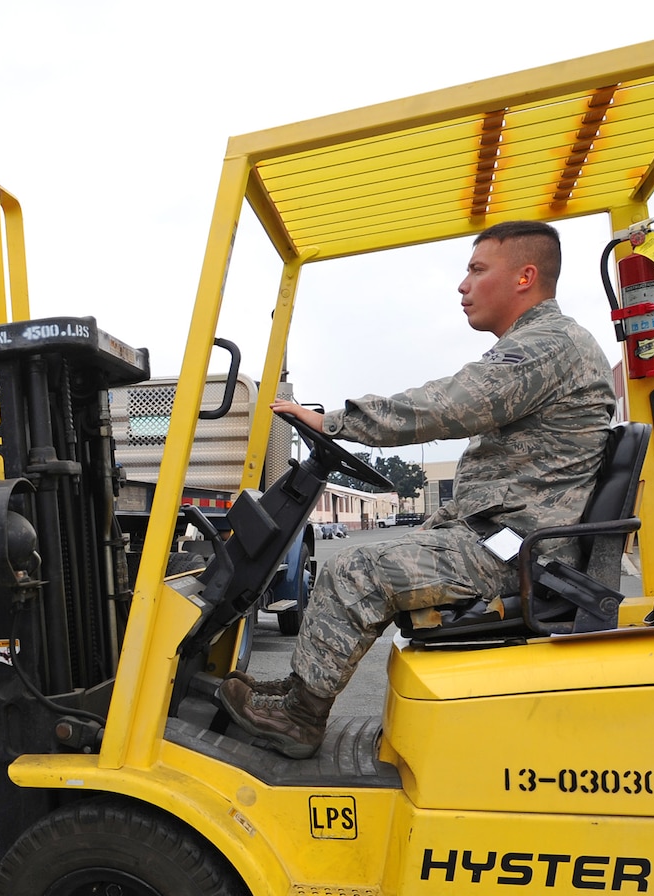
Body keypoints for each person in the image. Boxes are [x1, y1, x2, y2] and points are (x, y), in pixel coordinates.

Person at [218, 220, 617, 758]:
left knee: (351, 570)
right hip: (508, 538)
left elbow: (448, 405)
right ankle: (298, 690)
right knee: (369, 559)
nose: (463, 285)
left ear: (525, 276)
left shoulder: (547, 345)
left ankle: (299, 717)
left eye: (477, 270)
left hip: (516, 550)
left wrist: (334, 422)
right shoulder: (547, 345)